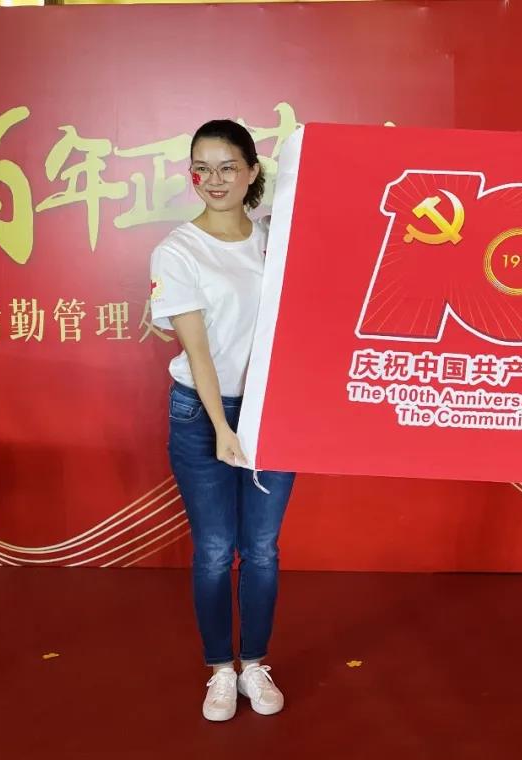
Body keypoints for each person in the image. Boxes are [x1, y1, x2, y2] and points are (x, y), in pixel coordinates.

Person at [150, 119, 295, 722]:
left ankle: (255, 664)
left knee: (262, 548)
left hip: (273, 409)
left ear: (252, 171)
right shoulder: (178, 250)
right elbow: (199, 352)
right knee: (215, 548)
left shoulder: (274, 239)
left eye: (228, 167)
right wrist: (224, 429)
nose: (215, 180)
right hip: (202, 412)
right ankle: (219, 671)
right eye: (202, 169)